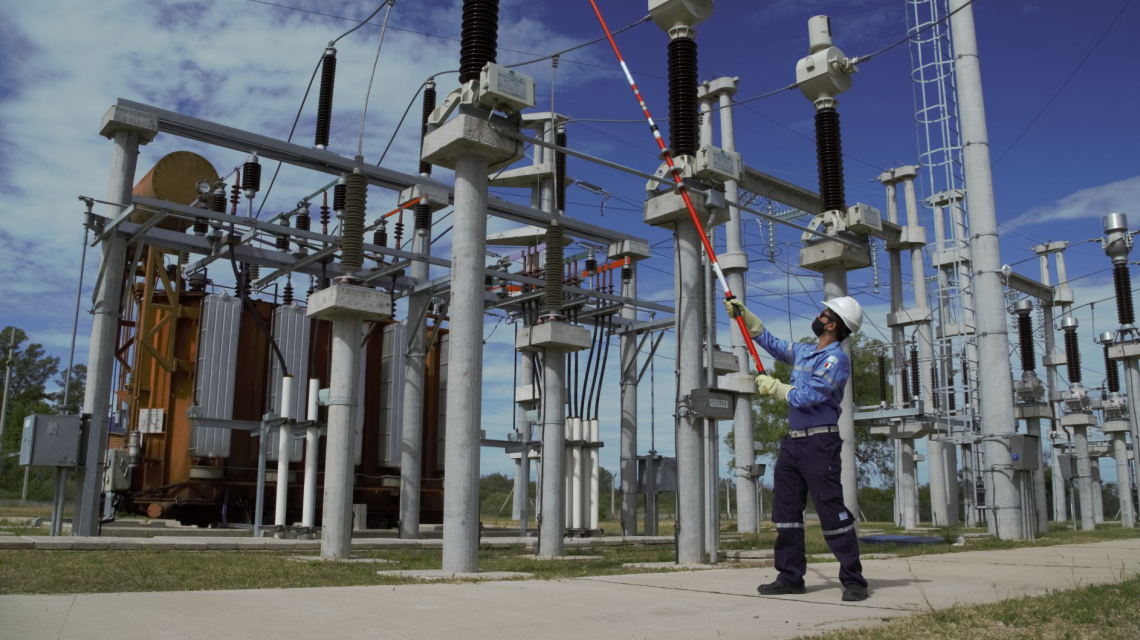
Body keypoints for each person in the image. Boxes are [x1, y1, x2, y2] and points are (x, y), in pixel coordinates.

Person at [725, 295, 869, 602]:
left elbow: (807, 396)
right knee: (787, 512)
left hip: (820, 443)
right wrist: (749, 320)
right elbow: (777, 346)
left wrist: (776, 387)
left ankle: (853, 579)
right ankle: (790, 576)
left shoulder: (835, 360)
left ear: (832, 324)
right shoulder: (806, 351)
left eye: (824, 313)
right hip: (793, 443)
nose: (819, 315)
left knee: (831, 511)